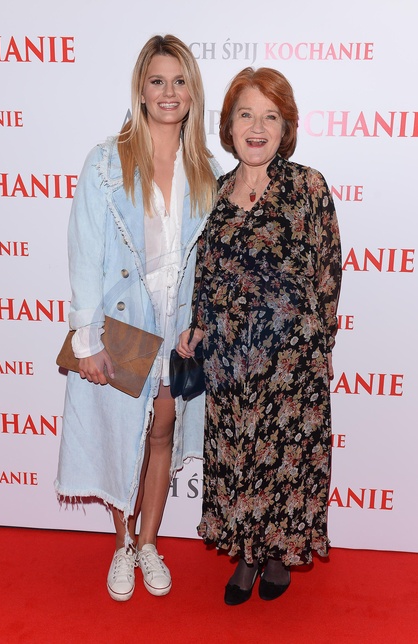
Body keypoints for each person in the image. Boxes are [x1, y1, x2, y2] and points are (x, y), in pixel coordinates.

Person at [55, 34, 220, 602]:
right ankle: (123, 544)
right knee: (124, 435)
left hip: (177, 331)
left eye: (179, 81)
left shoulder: (207, 169)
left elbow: (209, 263)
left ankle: (149, 543)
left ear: (192, 91)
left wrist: (200, 322)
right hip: (123, 327)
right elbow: (84, 253)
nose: (169, 92)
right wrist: (87, 340)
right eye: (157, 81)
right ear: (141, 90)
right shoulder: (106, 162)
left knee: (162, 432)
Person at [177, 67, 342, 605]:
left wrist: (321, 343)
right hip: (231, 358)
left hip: (292, 359)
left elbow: (328, 270)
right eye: (245, 114)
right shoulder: (215, 191)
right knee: (239, 454)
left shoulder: (308, 186)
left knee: (286, 457)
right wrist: (198, 324)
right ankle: (246, 556)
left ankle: (275, 554)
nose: (257, 127)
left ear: (285, 128)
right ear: (228, 125)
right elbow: (207, 269)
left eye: (270, 117)